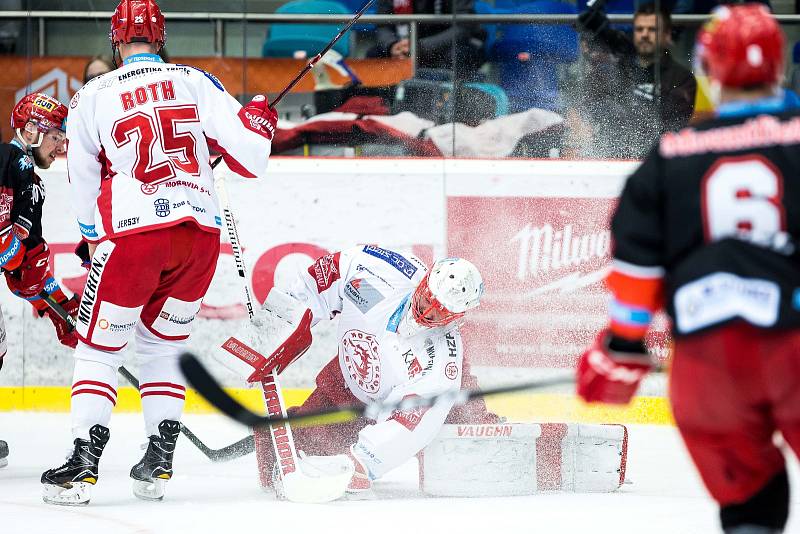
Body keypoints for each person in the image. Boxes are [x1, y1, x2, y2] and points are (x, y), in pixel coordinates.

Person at [41, 0, 277, 506]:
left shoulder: (92, 94)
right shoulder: (196, 80)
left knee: (98, 348)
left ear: (115, 38)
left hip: (135, 236)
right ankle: (158, 463)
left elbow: (82, 178)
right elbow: (253, 158)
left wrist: (91, 236)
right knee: (160, 347)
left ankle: (82, 465)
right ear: (161, 35)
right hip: (199, 240)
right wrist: (258, 116)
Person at [576, 5, 800, 533]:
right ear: (779, 66)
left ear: (709, 68)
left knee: (752, 504)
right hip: (793, 348)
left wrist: (624, 346)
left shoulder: (668, 157)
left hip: (708, 365)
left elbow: (635, 275)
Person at [240, 247, 494, 496]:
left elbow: (414, 424)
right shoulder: (378, 273)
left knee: (474, 443)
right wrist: (278, 324)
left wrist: (362, 461)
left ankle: (525, 449)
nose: (427, 313)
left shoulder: (441, 357)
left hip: (413, 406)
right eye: (429, 300)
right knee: (296, 442)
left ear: (457, 316)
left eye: (441, 311)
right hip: (348, 385)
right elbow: (330, 274)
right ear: (424, 281)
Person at [573, 3, 696, 158]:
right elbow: (593, 109)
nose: (645, 34)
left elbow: (671, 126)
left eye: (652, 29)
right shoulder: (621, 66)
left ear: (667, 34)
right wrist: (598, 33)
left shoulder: (682, 78)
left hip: (655, 160)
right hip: (609, 157)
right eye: (639, 29)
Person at [366, 0, 486, 81]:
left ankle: (450, 106)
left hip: (446, 45)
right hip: (406, 45)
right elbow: (383, 24)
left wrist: (420, 47)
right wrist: (392, 45)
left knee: (456, 56)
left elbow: (463, 27)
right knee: (374, 55)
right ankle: (382, 105)